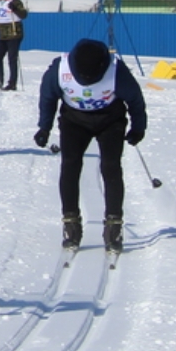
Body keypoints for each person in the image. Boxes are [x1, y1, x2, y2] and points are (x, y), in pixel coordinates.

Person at [34, 38, 147, 254]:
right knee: (70, 165)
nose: (87, 80)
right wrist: (44, 128)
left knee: (111, 166)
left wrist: (138, 127)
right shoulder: (61, 68)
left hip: (110, 120)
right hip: (74, 121)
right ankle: (71, 222)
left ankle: (114, 224)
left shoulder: (116, 70)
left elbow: (135, 100)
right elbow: (48, 97)